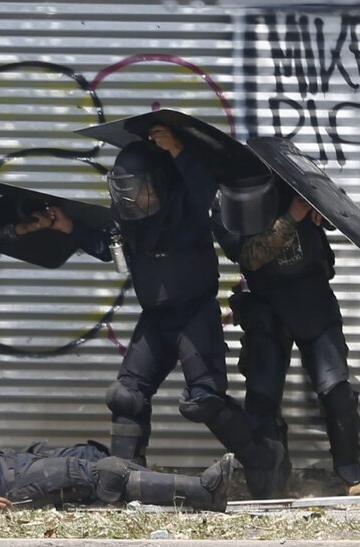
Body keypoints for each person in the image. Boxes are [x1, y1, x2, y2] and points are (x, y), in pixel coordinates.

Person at [40, 124, 285, 499]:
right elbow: (109, 247)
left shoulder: (186, 201)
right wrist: (68, 225)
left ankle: (264, 456)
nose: (132, 197)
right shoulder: (130, 218)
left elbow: (205, 185)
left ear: (158, 182)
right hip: (155, 319)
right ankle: (123, 480)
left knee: (204, 401)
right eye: (124, 189)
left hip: (194, 315)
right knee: (125, 396)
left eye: (138, 187)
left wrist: (178, 152)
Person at [0, 378, 233, 513]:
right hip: (3, 486)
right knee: (103, 472)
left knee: (95, 454)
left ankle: (165, 490)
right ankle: (203, 491)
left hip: (10, 463)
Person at [212, 178, 360, 495]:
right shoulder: (224, 206)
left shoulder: (291, 185)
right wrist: (293, 217)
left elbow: (344, 214)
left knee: (335, 388)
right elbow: (251, 256)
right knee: (263, 394)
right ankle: (273, 477)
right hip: (267, 305)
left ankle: (350, 470)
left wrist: (321, 209)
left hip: (313, 300)